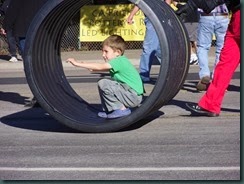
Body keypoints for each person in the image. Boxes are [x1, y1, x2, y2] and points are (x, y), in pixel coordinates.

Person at [176, 0, 240, 117]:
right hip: (236, 18)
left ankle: (210, 104)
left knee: (224, 63)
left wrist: (191, 5)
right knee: (225, 64)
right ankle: (210, 104)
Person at [67, 35, 144, 119]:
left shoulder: (119, 61)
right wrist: (86, 65)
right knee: (105, 84)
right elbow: (97, 68)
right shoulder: (120, 61)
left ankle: (120, 109)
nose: (103, 55)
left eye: (106, 51)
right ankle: (110, 110)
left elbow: (100, 66)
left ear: (118, 52)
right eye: (102, 51)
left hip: (133, 96)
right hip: (130, 95)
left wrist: (77, 63)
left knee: (104, 83)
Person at [3, 0, 48, 107]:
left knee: (30, 64)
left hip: (25, 29)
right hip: (42, 28)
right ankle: (45, 94)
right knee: (40, 62)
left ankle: (39, 95)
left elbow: (13, 9)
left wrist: (6, 26)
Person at [196, 4, 229, 91]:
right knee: (221, 49)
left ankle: (204, 74)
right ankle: (217, 79)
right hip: (222, 15)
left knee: (202, 47)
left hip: (206, 15)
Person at [127, 5, 161, 82]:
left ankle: (144, 75)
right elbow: (140, 2)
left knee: (149, 47)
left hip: (154, 16)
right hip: (152, 16)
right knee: (159, 49)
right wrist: (132, 14)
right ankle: (173, 71)